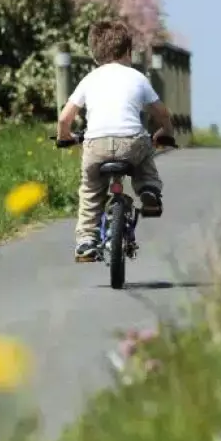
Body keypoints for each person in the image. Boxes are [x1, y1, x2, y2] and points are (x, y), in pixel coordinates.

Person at [55, 20, 174, 262]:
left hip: (95, 145)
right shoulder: (138, 78)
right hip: (131, 143)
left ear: (94, 54)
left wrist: (63, 137)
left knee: (90, 190)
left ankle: (87, 241)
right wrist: (165, 131)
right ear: (129, 52)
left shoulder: (90, 79)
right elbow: (162, 114)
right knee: (145, 152)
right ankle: (149, 190)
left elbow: (64, 118)